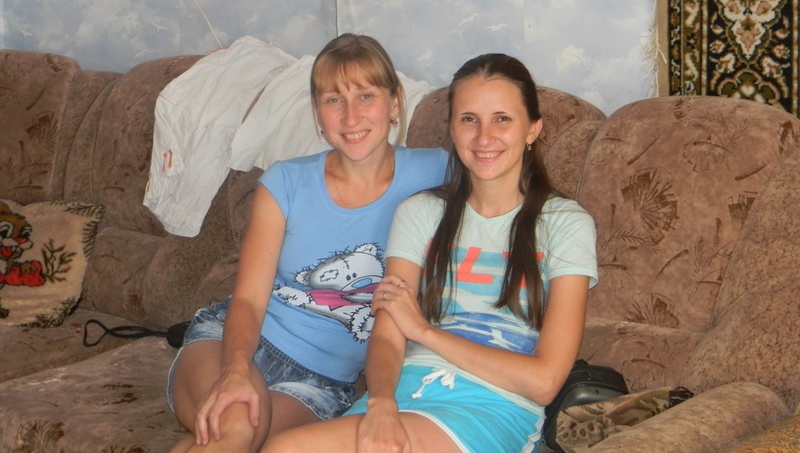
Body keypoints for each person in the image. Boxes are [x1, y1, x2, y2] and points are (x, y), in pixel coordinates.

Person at [262, 53, 598, 453]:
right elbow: (388, 335)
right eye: (469, 119)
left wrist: (423, 331)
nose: (484, 137)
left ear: (532, 129)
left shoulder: (565, 224)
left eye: (502, 119)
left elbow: (544, 383)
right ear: (452, 129)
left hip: (493, 405)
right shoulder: (420, 213)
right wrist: (380, 402)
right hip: (403, 393)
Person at [167, 33, 449, 453]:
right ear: (318, 113)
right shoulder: (286, 182)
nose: (350, 116)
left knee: (225, 436)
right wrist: (236, 371)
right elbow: (249, 300)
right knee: (236, 425)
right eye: (334, 99)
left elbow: (510, 184)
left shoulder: (437, 172)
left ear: (395, 103)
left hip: (319, 383)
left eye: (366, 96)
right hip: (232, 344)